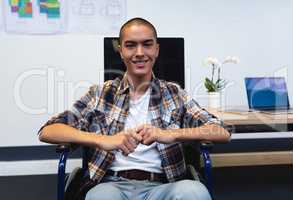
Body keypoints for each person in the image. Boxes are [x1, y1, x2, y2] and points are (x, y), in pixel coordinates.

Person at [39, 17, 231, 200]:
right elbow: (48, 131)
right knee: (100, 196)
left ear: (156, 50)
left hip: (163, 186)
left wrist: (171, 135)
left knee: (195, 192)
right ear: (121, 50)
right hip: (111, 185)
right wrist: (103, 140)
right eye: (131, 45)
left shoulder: (174, 93)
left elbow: (221, 131)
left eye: (147, 44)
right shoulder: (100, 94)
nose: (139, 52)